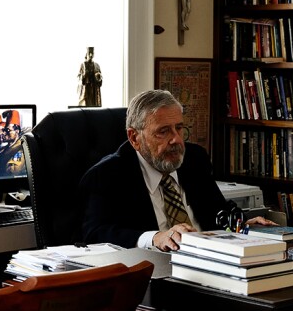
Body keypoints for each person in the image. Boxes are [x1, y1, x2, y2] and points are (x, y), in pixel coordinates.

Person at [79, 89, 276, 251]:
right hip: (152, 272)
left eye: (179, 128)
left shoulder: (194, 159)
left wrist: (241, 227)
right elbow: (95, 233)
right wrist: (155, 238)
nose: (176, 140)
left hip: (209, 260)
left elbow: (218, 212)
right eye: (163, 131)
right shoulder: (107, 175)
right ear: (134, 138)